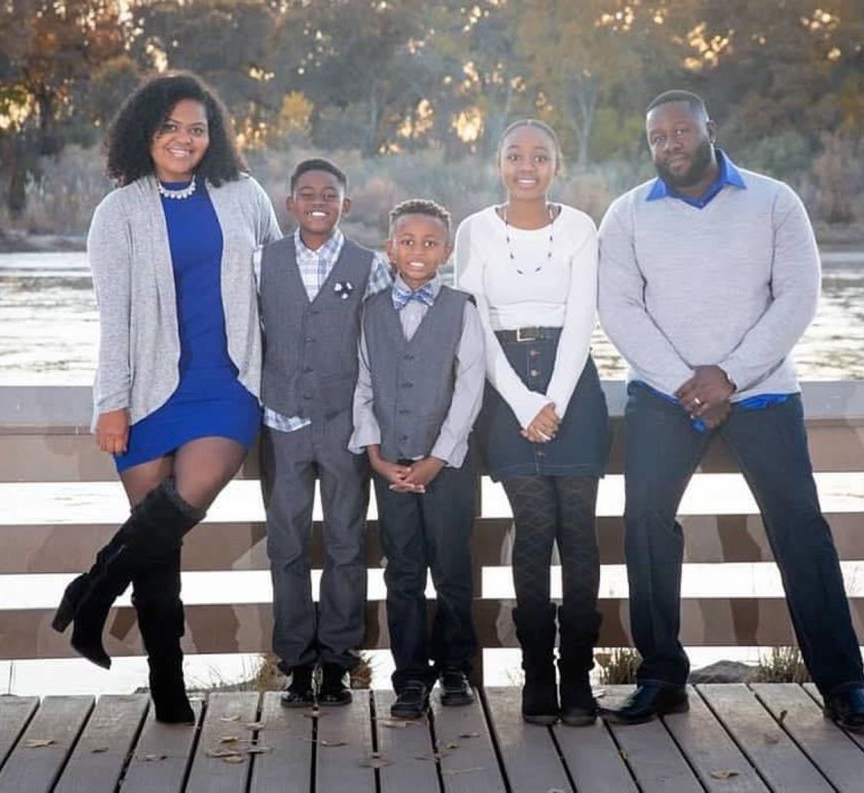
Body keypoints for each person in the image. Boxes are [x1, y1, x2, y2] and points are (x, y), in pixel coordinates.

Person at [597, 89, 864, 733]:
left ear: (710, 129)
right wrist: (686, 383)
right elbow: (618, 309)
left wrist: (728, 376)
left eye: (680, 131)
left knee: (800, 529)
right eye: (657, 137)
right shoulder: (627, 214)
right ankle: (661, 677)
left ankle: (844, 686)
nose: (669, 144)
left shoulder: (774, 201)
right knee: (645, 523)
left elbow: (796, 299)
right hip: (664, 397)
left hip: (762, 394)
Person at [52, 71, 281, 724]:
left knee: (181, 503)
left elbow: (275, 283)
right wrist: (111, 400)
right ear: (145, 132)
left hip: (228, 383)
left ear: (216, 136)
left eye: (198, 129)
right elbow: (114, 316)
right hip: (148, 391)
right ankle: (168, 687)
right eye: (171, 127)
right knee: (159, 546)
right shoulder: (118, 212)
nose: (184, 139)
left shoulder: (243, 195)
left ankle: (91, 594)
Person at [455, 120, 609, 727]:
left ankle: (577, 677)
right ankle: (537, 675)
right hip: (505, 388)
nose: (527, 165)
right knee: (533, 531)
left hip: (573, 388)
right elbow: (476, 322)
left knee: (579, 536)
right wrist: (523, 404)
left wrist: (556, 402)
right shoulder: (473, 231)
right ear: (499, 163)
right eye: (515, 155)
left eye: (540, 156)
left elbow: (581, 319)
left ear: (556, 165)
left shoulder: (579, 228)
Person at [256, 158, 392, 708]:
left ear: (345, 205)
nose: (318, 200)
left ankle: (336, 661)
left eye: (329, 194)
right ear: (290, 203)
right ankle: (295, 662)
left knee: (345, 543)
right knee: (285, 545)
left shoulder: (370, 266)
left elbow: (384, 347)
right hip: (281, 424)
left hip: (344, 428)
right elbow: (244, 336)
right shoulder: (260, 262)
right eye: (306, 192)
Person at [349, 199, 485, 719]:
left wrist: (439, 457)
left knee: (451, 569)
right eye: (407, 241)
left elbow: (470, 390)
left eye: (430, 243)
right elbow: (364, 384)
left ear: (446, 252)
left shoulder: (461, 308)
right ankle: (409, 679)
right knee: (402, 570)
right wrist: (376, 455)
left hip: (446, 467)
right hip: (390, 465)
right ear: (390, 248)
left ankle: (454, 669)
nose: (418, 251)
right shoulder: (371, 312)